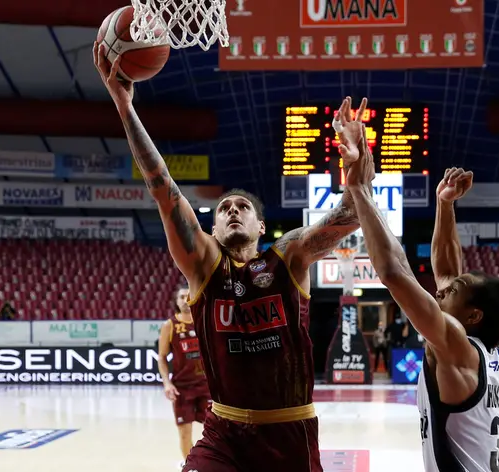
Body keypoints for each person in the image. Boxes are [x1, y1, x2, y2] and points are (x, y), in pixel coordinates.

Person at [95, 43, 370, 472]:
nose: (232, 210)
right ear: (212, 229)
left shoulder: (289, 257)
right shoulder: (204, 265)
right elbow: (161, 185)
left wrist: (357, 171)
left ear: (262, 227)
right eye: (224, 209)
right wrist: (124, 105)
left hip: (289, 432)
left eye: (243, 207)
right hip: (223, 433)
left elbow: (351, 216)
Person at [344, 132, 499, 472]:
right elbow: (449, 271)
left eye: (452, 292)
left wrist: (360, 190)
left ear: (473, 315)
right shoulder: (483, 352)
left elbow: (394, 274)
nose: (440, 290)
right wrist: (444, 204)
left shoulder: (457, 347)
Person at [157, 287, 212, 467]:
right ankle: (191, 465)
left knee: (214, 429)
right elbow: (162, 357)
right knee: (184, 433)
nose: (185, 299)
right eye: (181, 296)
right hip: (182, 387)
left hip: (207, 385)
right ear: (176, 300)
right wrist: (167, 383)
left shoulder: (204, 319)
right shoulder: (170, 325)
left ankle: (212, 463)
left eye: (189, 296)